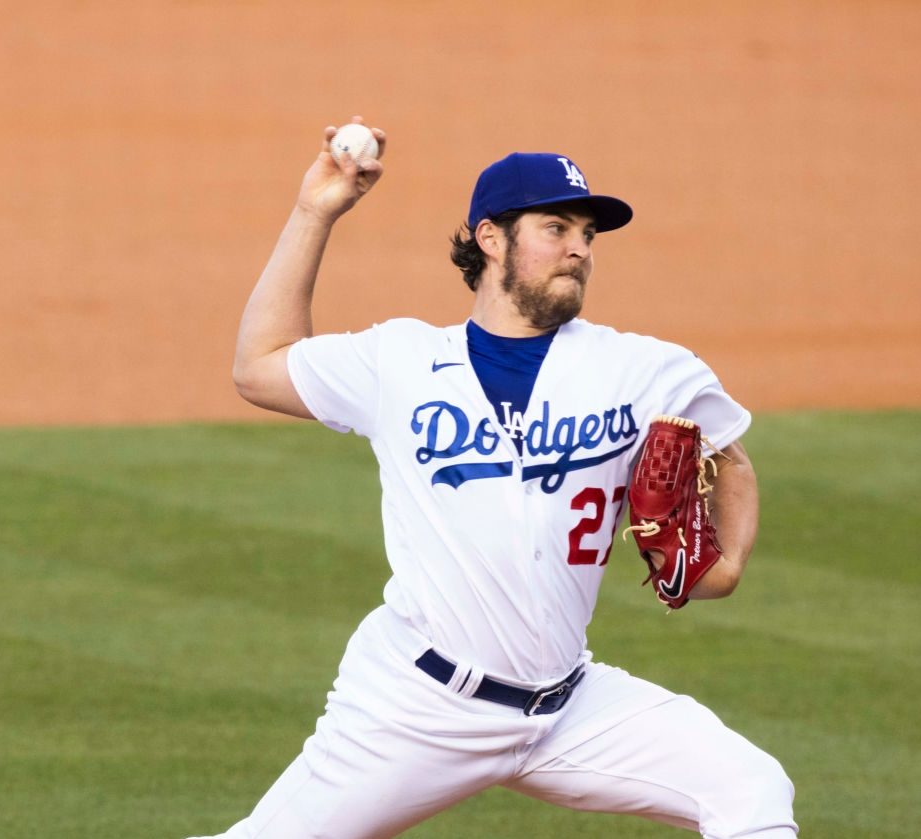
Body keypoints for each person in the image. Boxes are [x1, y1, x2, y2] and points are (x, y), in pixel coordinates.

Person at [197, 117, 796, 838]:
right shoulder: (399, 363)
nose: (578, 247)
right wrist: (314, 212)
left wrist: (723, 565)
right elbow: (257, 367)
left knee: (750, 787)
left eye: (587, 234)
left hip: (570, 709)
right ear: (490, 237)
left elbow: (727, 453)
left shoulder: (645, 370)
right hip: (417, 708)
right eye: (556, 227)